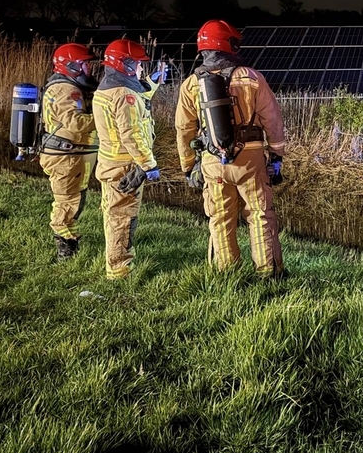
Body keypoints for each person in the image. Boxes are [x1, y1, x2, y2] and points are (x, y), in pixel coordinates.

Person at [174, 20, 287, 279]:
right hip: (250, 159)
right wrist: (277, 156)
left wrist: (188, 166)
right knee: (259, 214)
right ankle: (268, 273)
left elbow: (184, 130)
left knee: (220, 216)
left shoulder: (190, 84)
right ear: (229, 45)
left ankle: (227, 275)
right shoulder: (252, 77)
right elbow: (273, 121)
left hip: (212, 161)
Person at [92, 38, 160, 280]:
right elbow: (131, 134)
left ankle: (116, 265)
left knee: (113, 215)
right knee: (122, 219)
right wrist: (148, 164)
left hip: (110, 163)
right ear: (126, 64)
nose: (141, 68)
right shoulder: (123, 95)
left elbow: (138, 97)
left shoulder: (110, 87)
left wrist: (153, 82)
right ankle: (119, 271)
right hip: (124, 166)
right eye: (138, 64)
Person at [39, 43, 98, 261]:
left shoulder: (65, 87)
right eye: (85, 64)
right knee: (66, 201)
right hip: (65, 158)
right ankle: (65, 252)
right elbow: (75, 122)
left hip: (71, 156)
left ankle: (70, 242)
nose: (88, 69)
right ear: (72, 66)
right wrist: (104, 118)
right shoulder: (66, 90)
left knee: (73, 200)